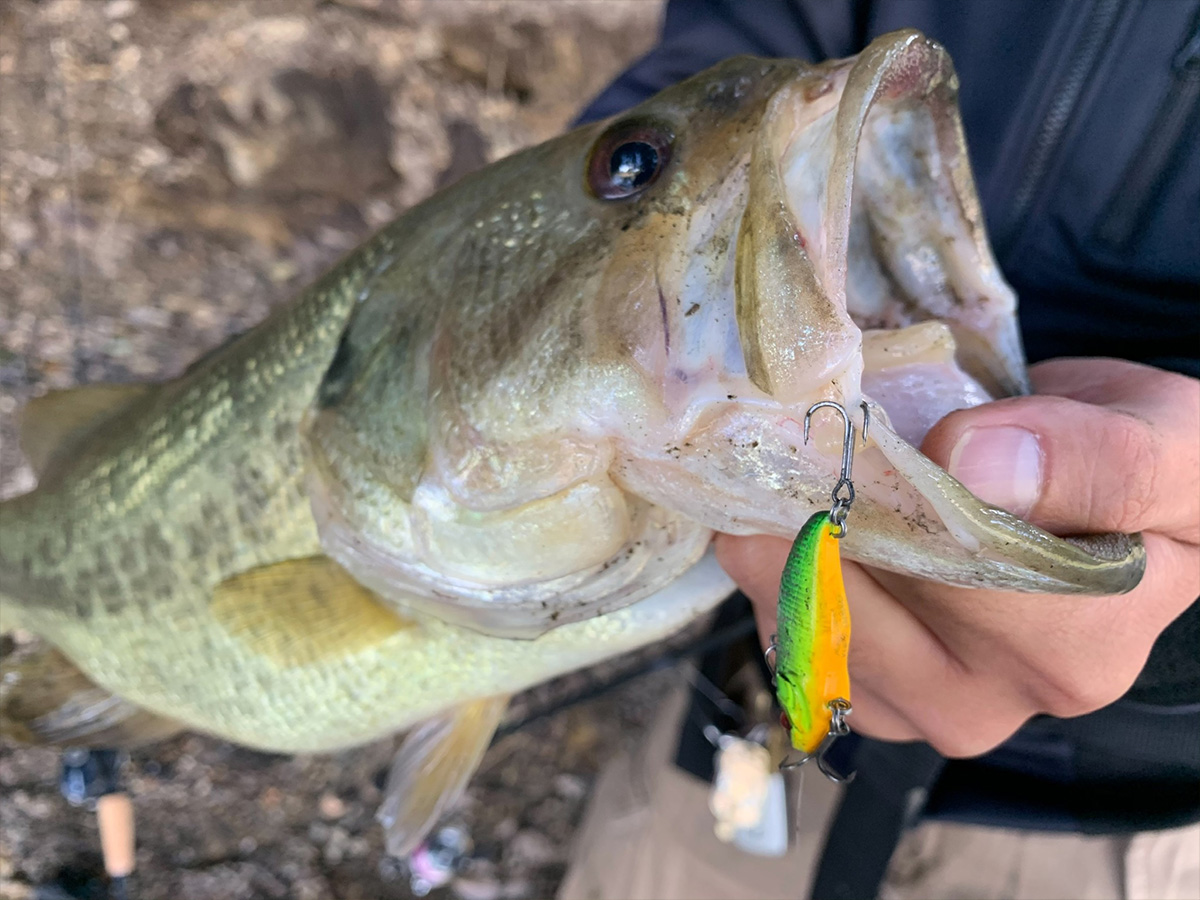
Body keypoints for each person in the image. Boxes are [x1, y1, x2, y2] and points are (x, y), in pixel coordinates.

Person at [559, 3, 1200, 898]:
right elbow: (737, 54)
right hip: (732, 730)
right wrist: (642, 184)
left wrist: (1181, 639)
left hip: (1116, 829)